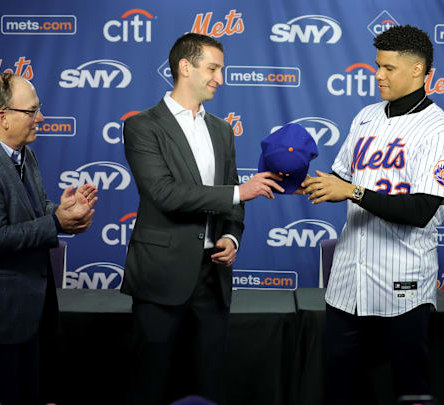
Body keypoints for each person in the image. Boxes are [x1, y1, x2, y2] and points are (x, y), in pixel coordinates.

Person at [301, 25, 444, 404]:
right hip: (347, 284)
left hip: (402, 286)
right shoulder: (366, 116)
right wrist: (299, 179)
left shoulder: (439, 131)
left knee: (407, 391)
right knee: (340, 389)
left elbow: (423, 209)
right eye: (378, 66)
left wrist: (353, 191)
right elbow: (339, 179)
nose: (378, 75)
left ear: (418, 70)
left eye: (388, 68)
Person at [121, 33, 283, 405]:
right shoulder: (143, 126)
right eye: (212, 68)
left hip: (213, 279)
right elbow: (163, 193)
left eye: (220, 70)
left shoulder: (222, 130)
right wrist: (241, 192)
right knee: (152, 384)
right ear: (184, 67)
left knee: (208, 385)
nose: (219, 78)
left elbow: (228, 197)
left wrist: (231, 237)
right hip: (162, 278)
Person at [0, 72, 98, 405]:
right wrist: (56, 222)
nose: (40, 118)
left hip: (27, 315)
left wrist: (64, 211)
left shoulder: (22, 154)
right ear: (3, 117)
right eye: (32, 112)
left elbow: (31, 208)